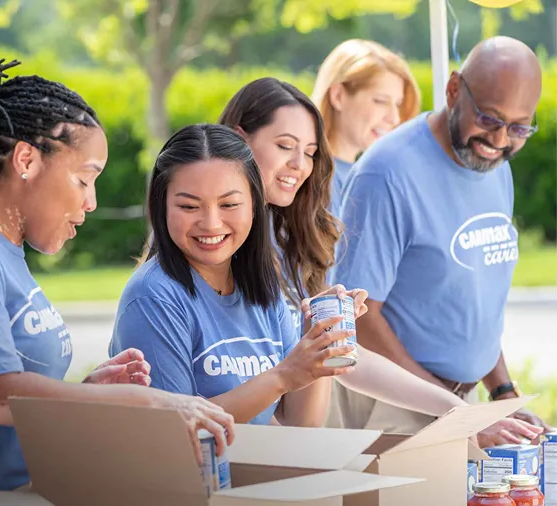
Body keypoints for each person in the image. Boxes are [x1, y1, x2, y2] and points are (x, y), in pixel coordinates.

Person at [0, 52, 235, 492]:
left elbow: (10, 398)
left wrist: (90, 391)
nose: (90, 202)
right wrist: (144, 401)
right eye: (85, 179)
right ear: (27, 161)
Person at [216, 76, 542, 445]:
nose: (299, 165)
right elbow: (193, 405)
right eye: (284, 146)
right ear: (240, 139)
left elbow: (341, 367)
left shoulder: (289, 245)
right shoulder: (208, 262)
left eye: (309, 152)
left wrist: (463, 412)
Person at [332, 36, 552, 436]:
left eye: (519, 127)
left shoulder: (492, 164)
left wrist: (501, 390)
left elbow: (475, 299)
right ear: (454, 91)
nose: (500, 141)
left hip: (456, 404)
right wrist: (453, 413)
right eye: (489, 119)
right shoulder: (386, 173)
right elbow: (358, 320)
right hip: (394, 406)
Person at [109, 122, 362, 427]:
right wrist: (281, 377)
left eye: (229, 204)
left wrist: (318, 339)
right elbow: (173, 429)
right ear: (160, 207)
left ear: (255, 205)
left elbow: (300, 423)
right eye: (189, 206)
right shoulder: (152, 296)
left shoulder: (261, 285)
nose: (211, 223)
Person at [310, 39, 421, 217]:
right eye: (380, 101)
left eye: (398, 104)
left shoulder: (362, 175)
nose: (394, 118)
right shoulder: (311, 179)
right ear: (338, 96)